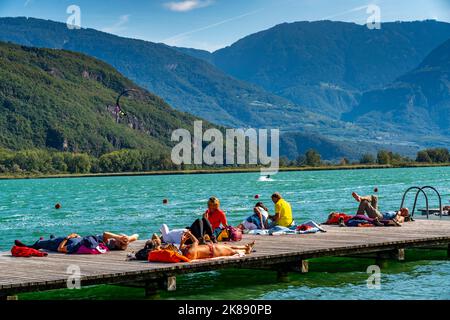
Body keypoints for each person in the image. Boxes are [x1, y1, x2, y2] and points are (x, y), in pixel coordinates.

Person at [15, 232, 139, 254]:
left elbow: (61, 249)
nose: (115, 239)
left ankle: (30, 245)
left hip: (63, 243)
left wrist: (68, 237)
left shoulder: (107, 243)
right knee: (53, 240)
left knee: (44, 243)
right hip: (75, 239)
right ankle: (48, 240)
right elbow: (136, 235)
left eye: (116, 241)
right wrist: (127, 237)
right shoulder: (102, 241)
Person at [179, 230, 255, 260]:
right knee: (232, 251)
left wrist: (182, 241)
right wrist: (190, 234)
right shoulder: (190, 252)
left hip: (211, 248)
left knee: (229, 247)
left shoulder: (185, 253)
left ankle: (245, 246)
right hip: (213, 251)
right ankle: (246, 251)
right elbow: (196, 241)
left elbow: (181, 248)